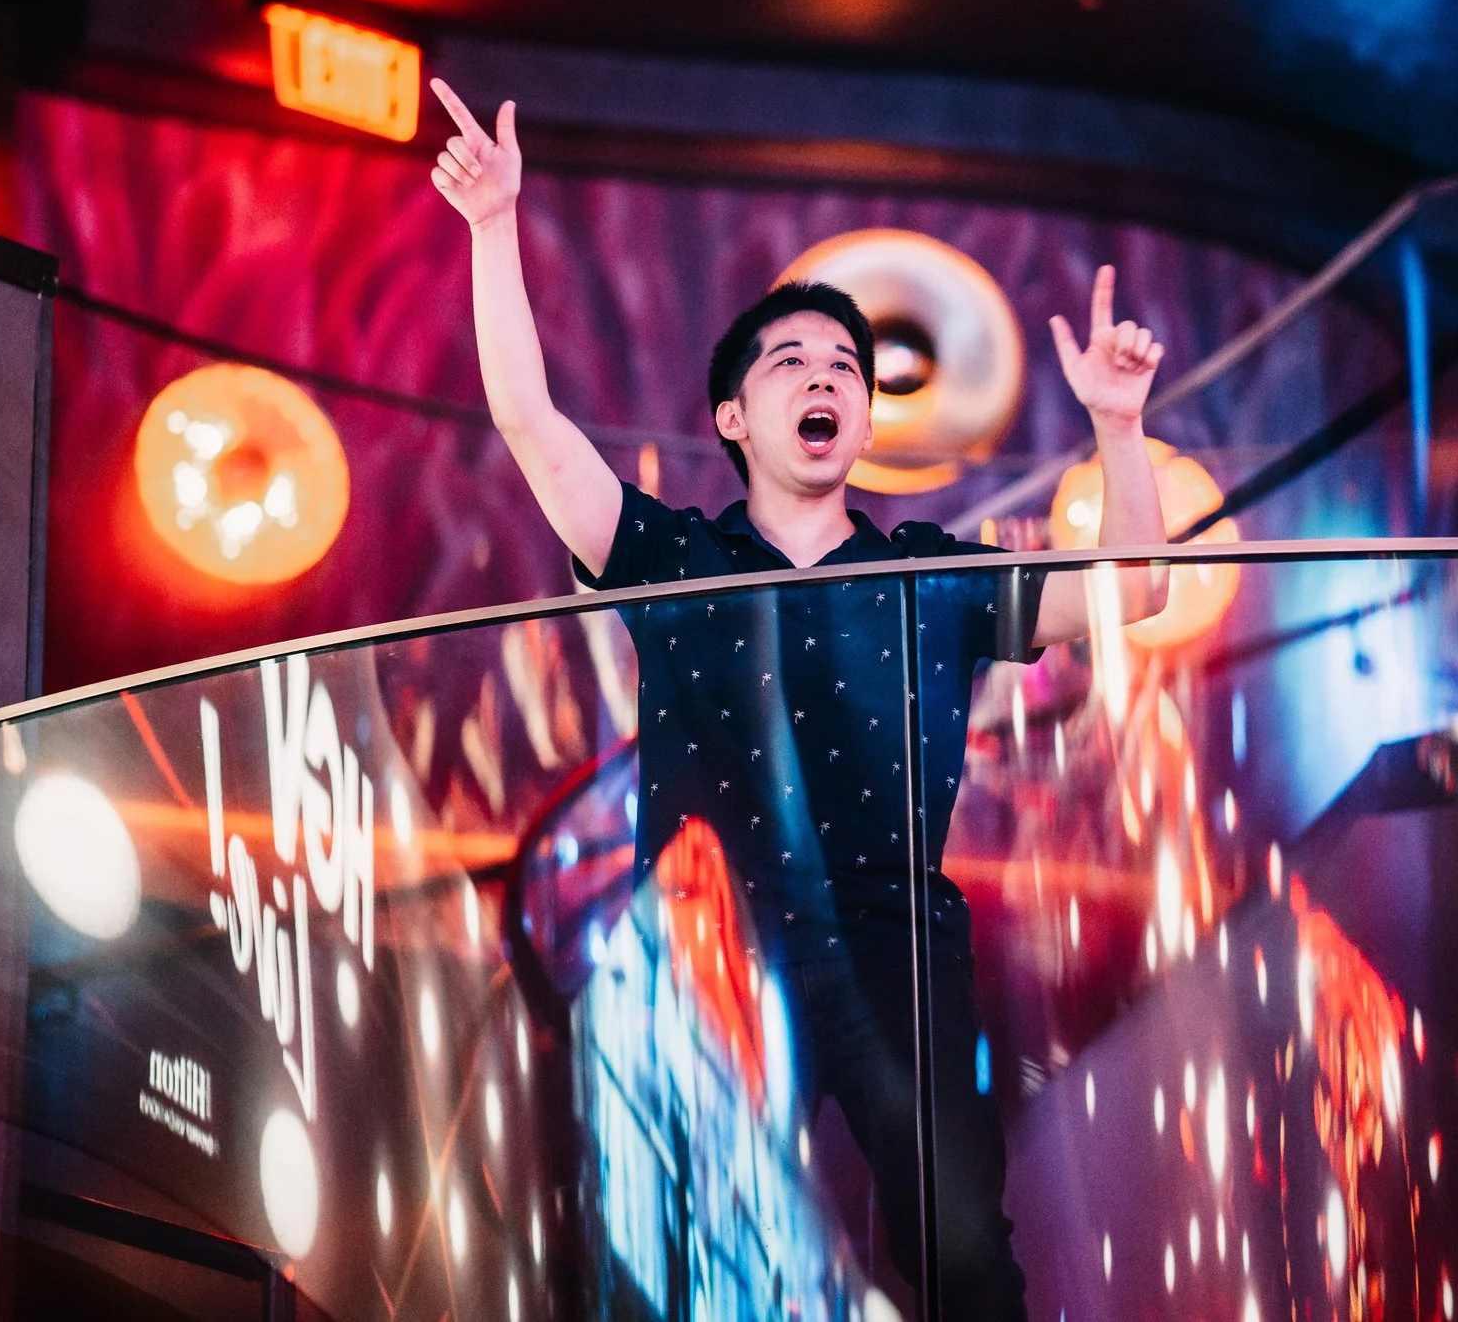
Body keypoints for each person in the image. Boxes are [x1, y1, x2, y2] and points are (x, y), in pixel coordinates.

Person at [428, 79, 1168, 1321]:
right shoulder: (677, 556)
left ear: (864, 417)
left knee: (966, 1259)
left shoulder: (929, 571)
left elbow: (1132, 587)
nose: (823, 376)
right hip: (709, 936)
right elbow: (530, 423)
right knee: (679, 1262)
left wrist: (1118, 426)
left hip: (895, 944)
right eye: (790, 362)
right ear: (734, 414)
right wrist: (495, 225)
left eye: (844, 367)